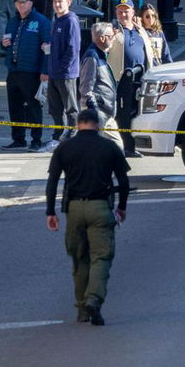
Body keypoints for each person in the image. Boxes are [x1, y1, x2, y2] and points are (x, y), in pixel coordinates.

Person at [45, 108, 130, 326]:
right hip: (101, 207)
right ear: (98, 125)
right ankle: (94, 299)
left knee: (79, 259)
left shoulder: (65, 147)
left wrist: (50, 211)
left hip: (73, 209)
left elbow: (53, 181)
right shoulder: (109, 146)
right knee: (101, 257)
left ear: (77, 125)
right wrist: (121, 207)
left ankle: (82, 309)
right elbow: (124, 181)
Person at [1, 0, 50, 150]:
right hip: (13, 70)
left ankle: (36, 139)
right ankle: (18, 138)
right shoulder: (12, 21)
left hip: (31, 71)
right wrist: (4, 44)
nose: (22, 5)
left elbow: (47, 48)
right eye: (19, 2)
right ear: (15, 4)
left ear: (31, 4)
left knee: (33, 106)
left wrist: (44, 71)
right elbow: (6, 42)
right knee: (14, 107)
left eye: (25, 2)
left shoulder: (41, 21)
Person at [112, 0, 153, 156]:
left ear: (133, 12)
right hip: (121, 80)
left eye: (126, 11)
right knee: (122, 114)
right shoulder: (113, 29)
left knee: (138, 112)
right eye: (120, 11)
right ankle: (126, 146)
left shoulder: (140, 30)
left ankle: (136, 145)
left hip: (141, 79)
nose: (123, 14)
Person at [43, 0, 82, 148]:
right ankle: (58, 137)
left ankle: (73, 136)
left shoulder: (70, 21)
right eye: (55, 1)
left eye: (60, 1)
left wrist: (62, 68)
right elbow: (59, 46)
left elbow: (73, 49)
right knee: (55, 108)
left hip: (66, 74)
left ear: (68, 2)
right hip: (54, 72)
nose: (57, 4)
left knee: (70, 108)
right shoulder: (56, 21)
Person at [78, 23, 122, 144]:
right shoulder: (92, 57)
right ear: (102, 38)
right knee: (112, 147)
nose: (113, 39)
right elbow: (86, 88)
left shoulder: (100, 55)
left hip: (106, 113)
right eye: (111, 36)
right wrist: (95, 112)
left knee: (115, 148)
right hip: (98, 113)